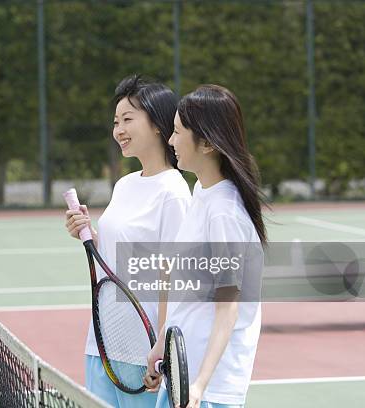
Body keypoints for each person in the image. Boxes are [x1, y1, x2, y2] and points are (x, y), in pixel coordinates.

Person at [65, 75, 191, 408]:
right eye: (116, 122)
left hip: (145, 353)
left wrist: (161, 348)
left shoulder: (174, 191)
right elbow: (114, 252)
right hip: (102, 344)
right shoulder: (124, 184)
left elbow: (174, 275)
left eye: (128, 120)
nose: (118, 129)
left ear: (158, 125)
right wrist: (85, 229)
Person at [144, 85, 267, 408]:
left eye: (177, 132)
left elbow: (228, 309)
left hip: (207, 391)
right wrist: (161, 345)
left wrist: (199, 386)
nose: (170, 141)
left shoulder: (224, 215)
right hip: (180, 374)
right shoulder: (202, 191)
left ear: (208, 143)